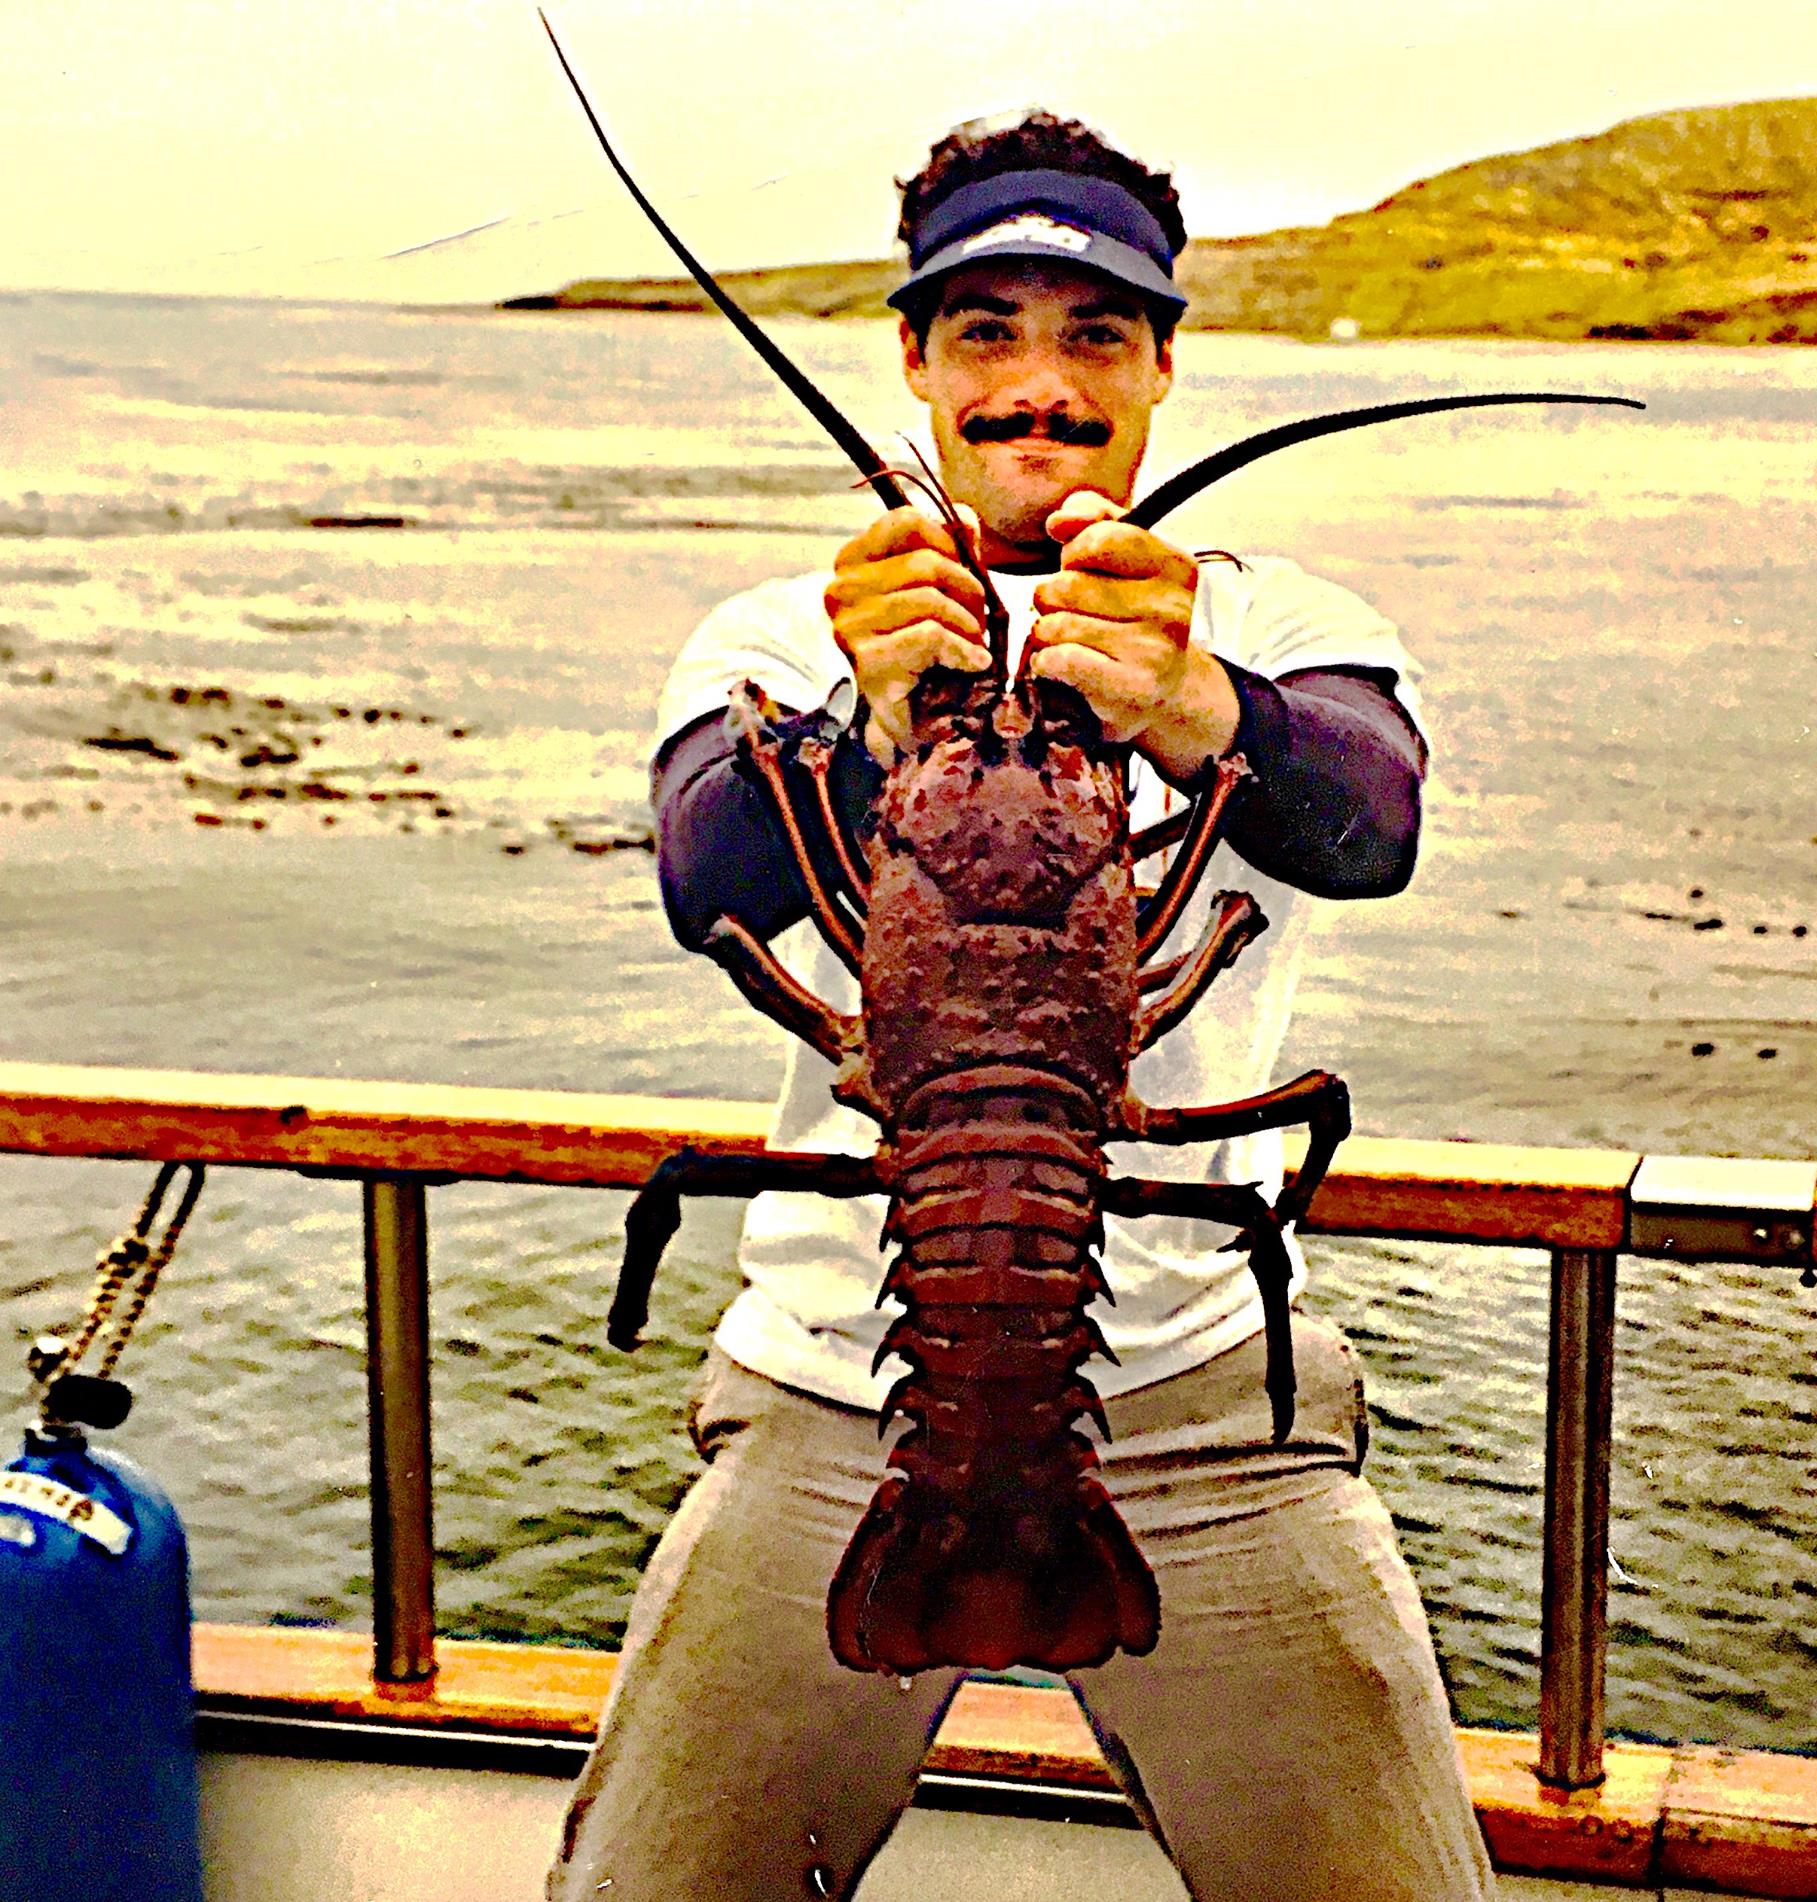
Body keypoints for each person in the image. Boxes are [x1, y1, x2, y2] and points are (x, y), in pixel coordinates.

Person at [549, 112, 1494, 1902]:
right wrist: (852, 713)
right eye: (986, 331)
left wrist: (1214, 707)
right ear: (911, 354)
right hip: (836, 1393)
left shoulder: (1278, 619)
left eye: (1094, 339)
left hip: (1207, 1404)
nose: (1039, 387)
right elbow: (705, 879)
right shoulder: (782, 630)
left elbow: (1372, 819)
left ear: (1159, 366)